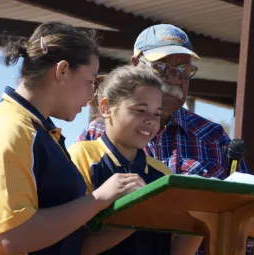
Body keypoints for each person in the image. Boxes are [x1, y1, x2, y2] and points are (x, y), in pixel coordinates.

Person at [0, 21, 145, 255]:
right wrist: (98, 198)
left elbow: (68, 240)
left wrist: (137, 214)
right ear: (62, 70)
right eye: (91, 81)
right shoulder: (8, 128)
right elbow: (14, 237)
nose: (91, 96)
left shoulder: (40, 132)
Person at [77, 24, 254, 253]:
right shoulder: (93, 139)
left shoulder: (214, 138)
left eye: (184, 69)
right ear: (135, 66)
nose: (173, 77)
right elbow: (72, 234)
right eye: (161, 66)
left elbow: (245, 229)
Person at [69, 65, 203, 255]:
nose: (151, 120)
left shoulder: (162, 174)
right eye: (140, 110)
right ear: (106, 108)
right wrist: (138, 216)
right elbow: (71, 246)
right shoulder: (81, 157)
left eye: (157, 114)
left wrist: (199, 223)